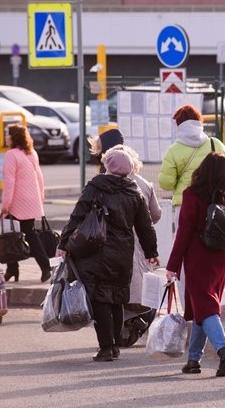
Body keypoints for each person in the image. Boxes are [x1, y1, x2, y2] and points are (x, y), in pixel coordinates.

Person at [57, 147, 159, 362]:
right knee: (117, 299)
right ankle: (115, 345)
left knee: (99, 299)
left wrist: (64, 243)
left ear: (108, 166)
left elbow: (78, 215)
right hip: (123, 252)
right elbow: (145, 225)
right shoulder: (134, 191)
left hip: (97, 251)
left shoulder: (96, 186)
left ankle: (106, 347)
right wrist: (151, 252)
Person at [166, 152, 225, 377]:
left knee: (206, 306)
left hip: (199, 258)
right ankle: (194, 360)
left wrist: (173, 265)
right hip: (224, 258)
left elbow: (184, 233)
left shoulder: (191, 194)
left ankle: (223, 350)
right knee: (201, 306)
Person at [0, 124, 50, 283]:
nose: (6, 137)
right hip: (31, 201)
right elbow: (39, 177)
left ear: (13, 138)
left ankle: (12, 269)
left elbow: (10, 181)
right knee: (30, 233)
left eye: (8, 134)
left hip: (17, 202)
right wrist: (41, 197)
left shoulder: (11, 155)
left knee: (9, 235)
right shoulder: (32, 153)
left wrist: (6, 204)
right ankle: (45, 266)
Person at [159, 105, 225, 207]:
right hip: (213, 202)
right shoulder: (214, 144)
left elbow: (166, 183)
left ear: (178, 125)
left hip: (184, 203)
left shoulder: (173, 151)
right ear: (199, 122)